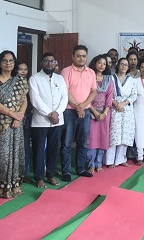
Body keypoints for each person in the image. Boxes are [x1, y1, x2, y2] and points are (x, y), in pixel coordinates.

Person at [0, 51, 28, 198]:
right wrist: (11, 114)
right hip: (0, 124)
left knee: (16, 154)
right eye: (4, 60)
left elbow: (24, 100)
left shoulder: (19, 80)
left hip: (16, 124)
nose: (8, 63)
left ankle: (14, 186)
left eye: (11, 61)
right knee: (1, 156)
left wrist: (18, 117)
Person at [28, 53, 68, 188]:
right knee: (39, 149)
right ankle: (39, 177)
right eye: (46, 61)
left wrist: (57, 113)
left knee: (53, 148)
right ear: (41, 63)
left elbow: (64, 98)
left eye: (52, 61)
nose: (50, 63)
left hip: (58, 120)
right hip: (40, 121)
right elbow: (35, 99)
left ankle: (50, 175)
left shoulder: (60, 78)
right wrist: (50, 113)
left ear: (55, 62)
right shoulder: (34, 78)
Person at [61, 45, 97, 181]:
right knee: (66, 142)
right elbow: (66, 91)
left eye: (83, 56)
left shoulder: (91, 72)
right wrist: (77, 107)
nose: (81, 58)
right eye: (78, 55)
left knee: (83, 142)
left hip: (85, 111)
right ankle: (66, 171)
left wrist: (81, 107)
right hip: (69, 112)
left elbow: (93, 91)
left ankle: (80, 168)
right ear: (73, 57)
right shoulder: (66, 71)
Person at [106, 58, 137, 168]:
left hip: (126, 109)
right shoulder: (111, 78)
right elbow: (108, 94)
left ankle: (121, 159)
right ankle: (109, 161)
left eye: (126, 65)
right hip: (113, 108)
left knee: (125, 135)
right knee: (114, 135)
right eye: (122, 64)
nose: (124, 66)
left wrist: (123, 104)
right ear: (118, 66)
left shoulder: (132, 80)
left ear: (128, 67)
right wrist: (115, 104)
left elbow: (134, 95)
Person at [86, 54, 114, 173]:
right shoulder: (89, 78)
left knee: (103, 138)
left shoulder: (109, 79)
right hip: (91, 112)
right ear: (94, 64)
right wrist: (94, 112)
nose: (102, 65)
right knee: (91, 139)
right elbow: (86, 96)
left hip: (104, 114)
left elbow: (110, 97)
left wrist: (104, 113)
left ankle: (98, 163)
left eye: (104, 63)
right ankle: (90, 164)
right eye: (99, 63)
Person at [16, 61, 34, 185]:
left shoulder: (30, 84)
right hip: (13, 119)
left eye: (25, 69)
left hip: (27, 119)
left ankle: (24, 173)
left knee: (25, 148)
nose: (23, 71)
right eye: (20, 69)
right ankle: (13, 174)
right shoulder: (11, 83)